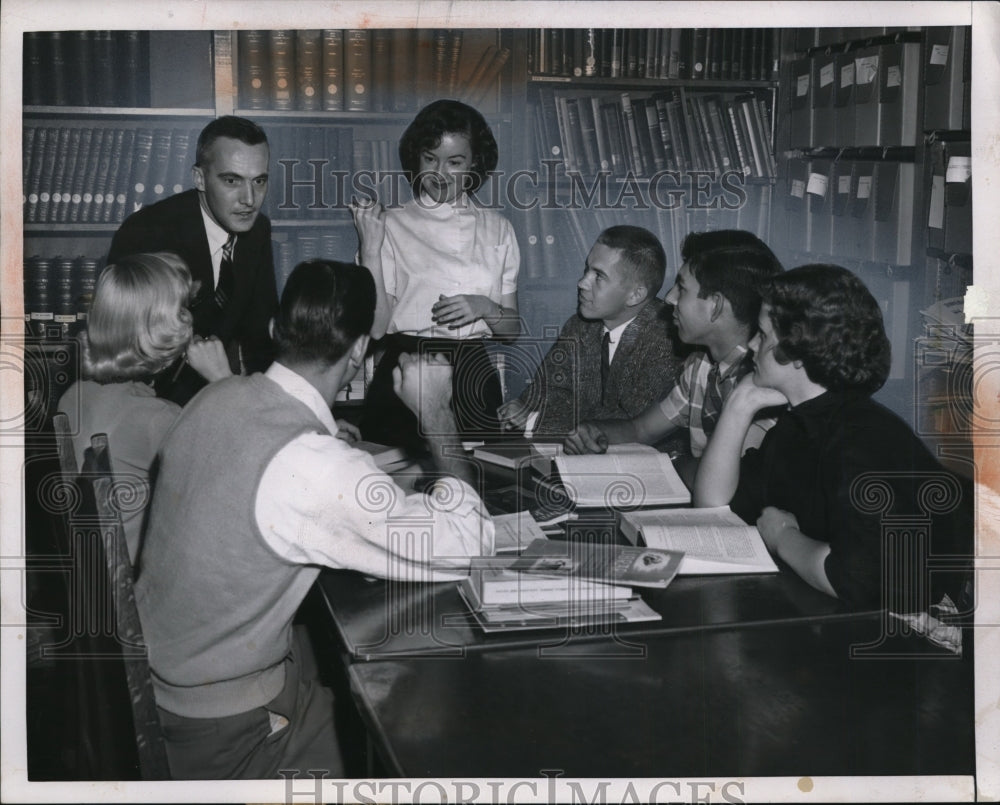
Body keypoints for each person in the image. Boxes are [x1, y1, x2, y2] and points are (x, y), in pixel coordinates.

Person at [134, 259, 494, 779]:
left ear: (277, 331)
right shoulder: (315, 465)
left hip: (168, 688)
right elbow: (470, 543)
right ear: (359, 353)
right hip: (227, 735)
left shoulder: (216, 395)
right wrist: (438, 413)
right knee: (435, 747)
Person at [694, 264, 972, 611]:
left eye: (762, 335)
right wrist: (738, 405)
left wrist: (783, 538)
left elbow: (853, 580)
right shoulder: (799, 424)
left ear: (797, 353)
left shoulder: (861, 439)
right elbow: (713, 508)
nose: (750, 345)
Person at [351, 99, 521, 451]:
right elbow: (377, 328)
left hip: (473, 374)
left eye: (455, 162)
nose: (439, 173)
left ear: (475, 163)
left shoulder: (499, 229)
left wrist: (484, 307)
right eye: (430, 159)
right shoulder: (392, 224)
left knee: (475, 485)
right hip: (406, 369)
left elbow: (511, 329)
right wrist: (370, 249)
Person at [563, 229, 784, 483]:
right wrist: (595, 432)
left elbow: (727, 476)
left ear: (715, 306)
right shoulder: (702, 366)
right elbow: (641, 429)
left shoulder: (764, 381)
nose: (669, 299)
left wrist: (668, 468)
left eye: (682, 288)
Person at [56, 252, 230, 563]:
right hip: (141, 595)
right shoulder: (159, 419)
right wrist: (223, 382)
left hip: (93, 590)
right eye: (183, 312)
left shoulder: (73, 396)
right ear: (164, 334)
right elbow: (238, 482)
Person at [108, 115, 278, 405]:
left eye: (259, 181)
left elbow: (262, 341)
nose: (249, 199)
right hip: (147, 405)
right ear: (199, 178)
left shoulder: (257, 230)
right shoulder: (146, 233)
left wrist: (291, 417)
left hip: (217, 399)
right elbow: (126, 352)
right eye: (231, 180)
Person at [497, 225, 683, 440]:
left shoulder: (669, 337)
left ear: (635, 295)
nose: (582, 283)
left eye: (599, 276)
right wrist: (535, 412)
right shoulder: (579, 326)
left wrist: (535, 420)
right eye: (587, 270)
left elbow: (629, 421)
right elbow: (539, 394)